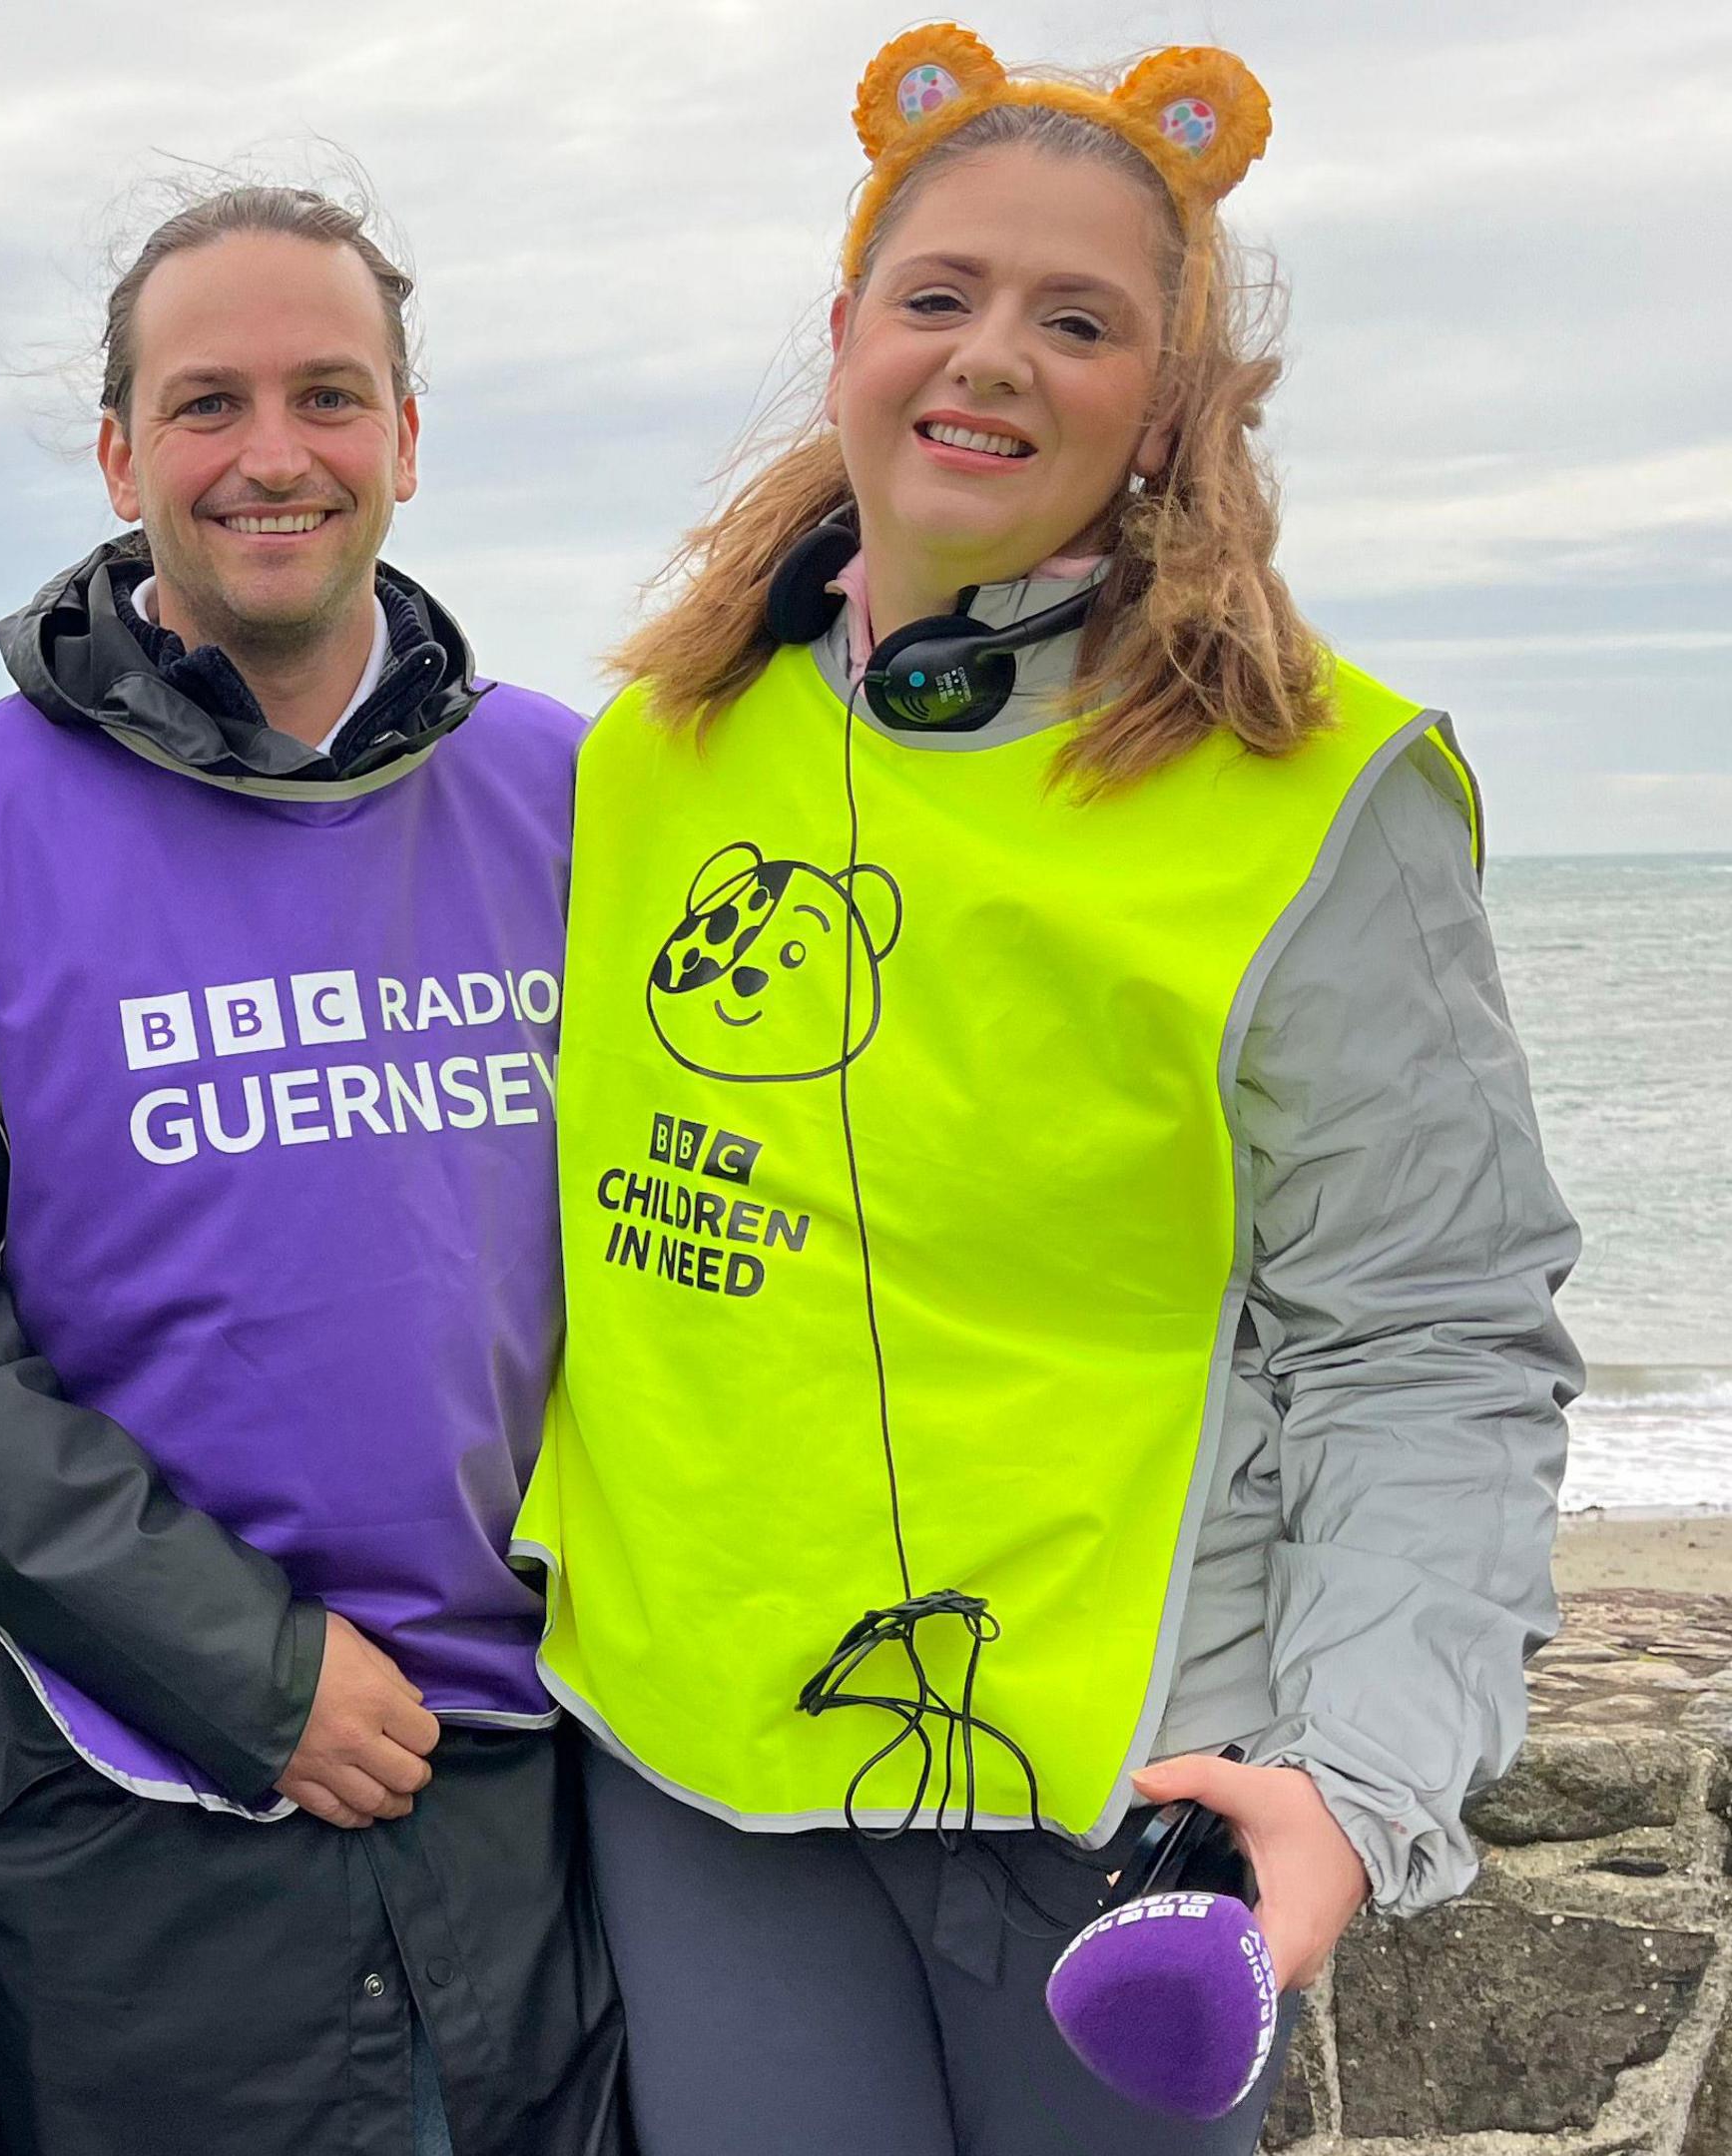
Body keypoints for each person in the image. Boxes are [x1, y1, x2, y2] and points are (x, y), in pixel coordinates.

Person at [510, 27, 1580, 2154]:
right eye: (941, 296)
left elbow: (1436, 1341)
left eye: (1078, 319)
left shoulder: (1315, 791)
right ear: (845, 340)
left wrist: (1356, 1789)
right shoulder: (644, 754)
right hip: (694, 1762)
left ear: (1169, 402)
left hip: (1120, 1791)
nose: (990, 358)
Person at [0, 182, 628, 2156]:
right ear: (120, 451)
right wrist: (248, 1671)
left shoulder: (579, 793)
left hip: (532, 1793)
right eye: (207, 402)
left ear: (407, 440)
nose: (273, 454)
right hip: (120, 1812)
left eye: (330, 396)